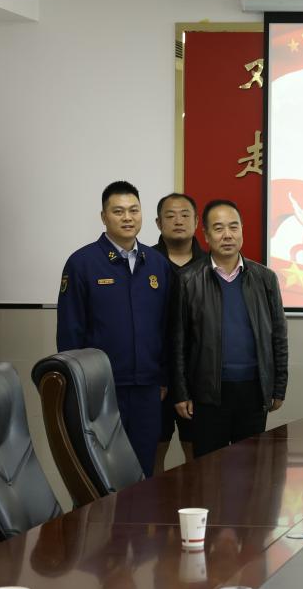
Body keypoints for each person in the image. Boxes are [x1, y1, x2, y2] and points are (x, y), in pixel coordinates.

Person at [57, 180, 171, 477]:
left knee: (143, 472)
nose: (128, 217)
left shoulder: (157, 264)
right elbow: (70, 331)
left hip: (147, 389)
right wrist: (77, 385)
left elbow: (165, 327)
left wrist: (162, 376)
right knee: (101, 475)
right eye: (118, 211)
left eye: (134, 210)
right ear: (104, 217)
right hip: (100, 389)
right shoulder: (82, 263)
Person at [171, 199, 288, 457]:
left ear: (242, 230)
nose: (227, 235)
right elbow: (178, 341)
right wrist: (181, 392)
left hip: (253, 391)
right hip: (208, 394)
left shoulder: (265, 278)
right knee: (209, 471)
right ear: (206, 235)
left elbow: (279, 336)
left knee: (252, 469)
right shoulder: (187, 279)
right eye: (219, 228)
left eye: (233, 227)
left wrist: (278, 386)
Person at [152, 192, 206, 473]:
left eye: (185, 215)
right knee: (152, 451)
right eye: (170, 215)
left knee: (198, 455)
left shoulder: (210, 265)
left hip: (197, 376)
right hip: (156, 374)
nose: (178, 221)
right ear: (158, 223)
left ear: (196, 222)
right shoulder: (145, 262)